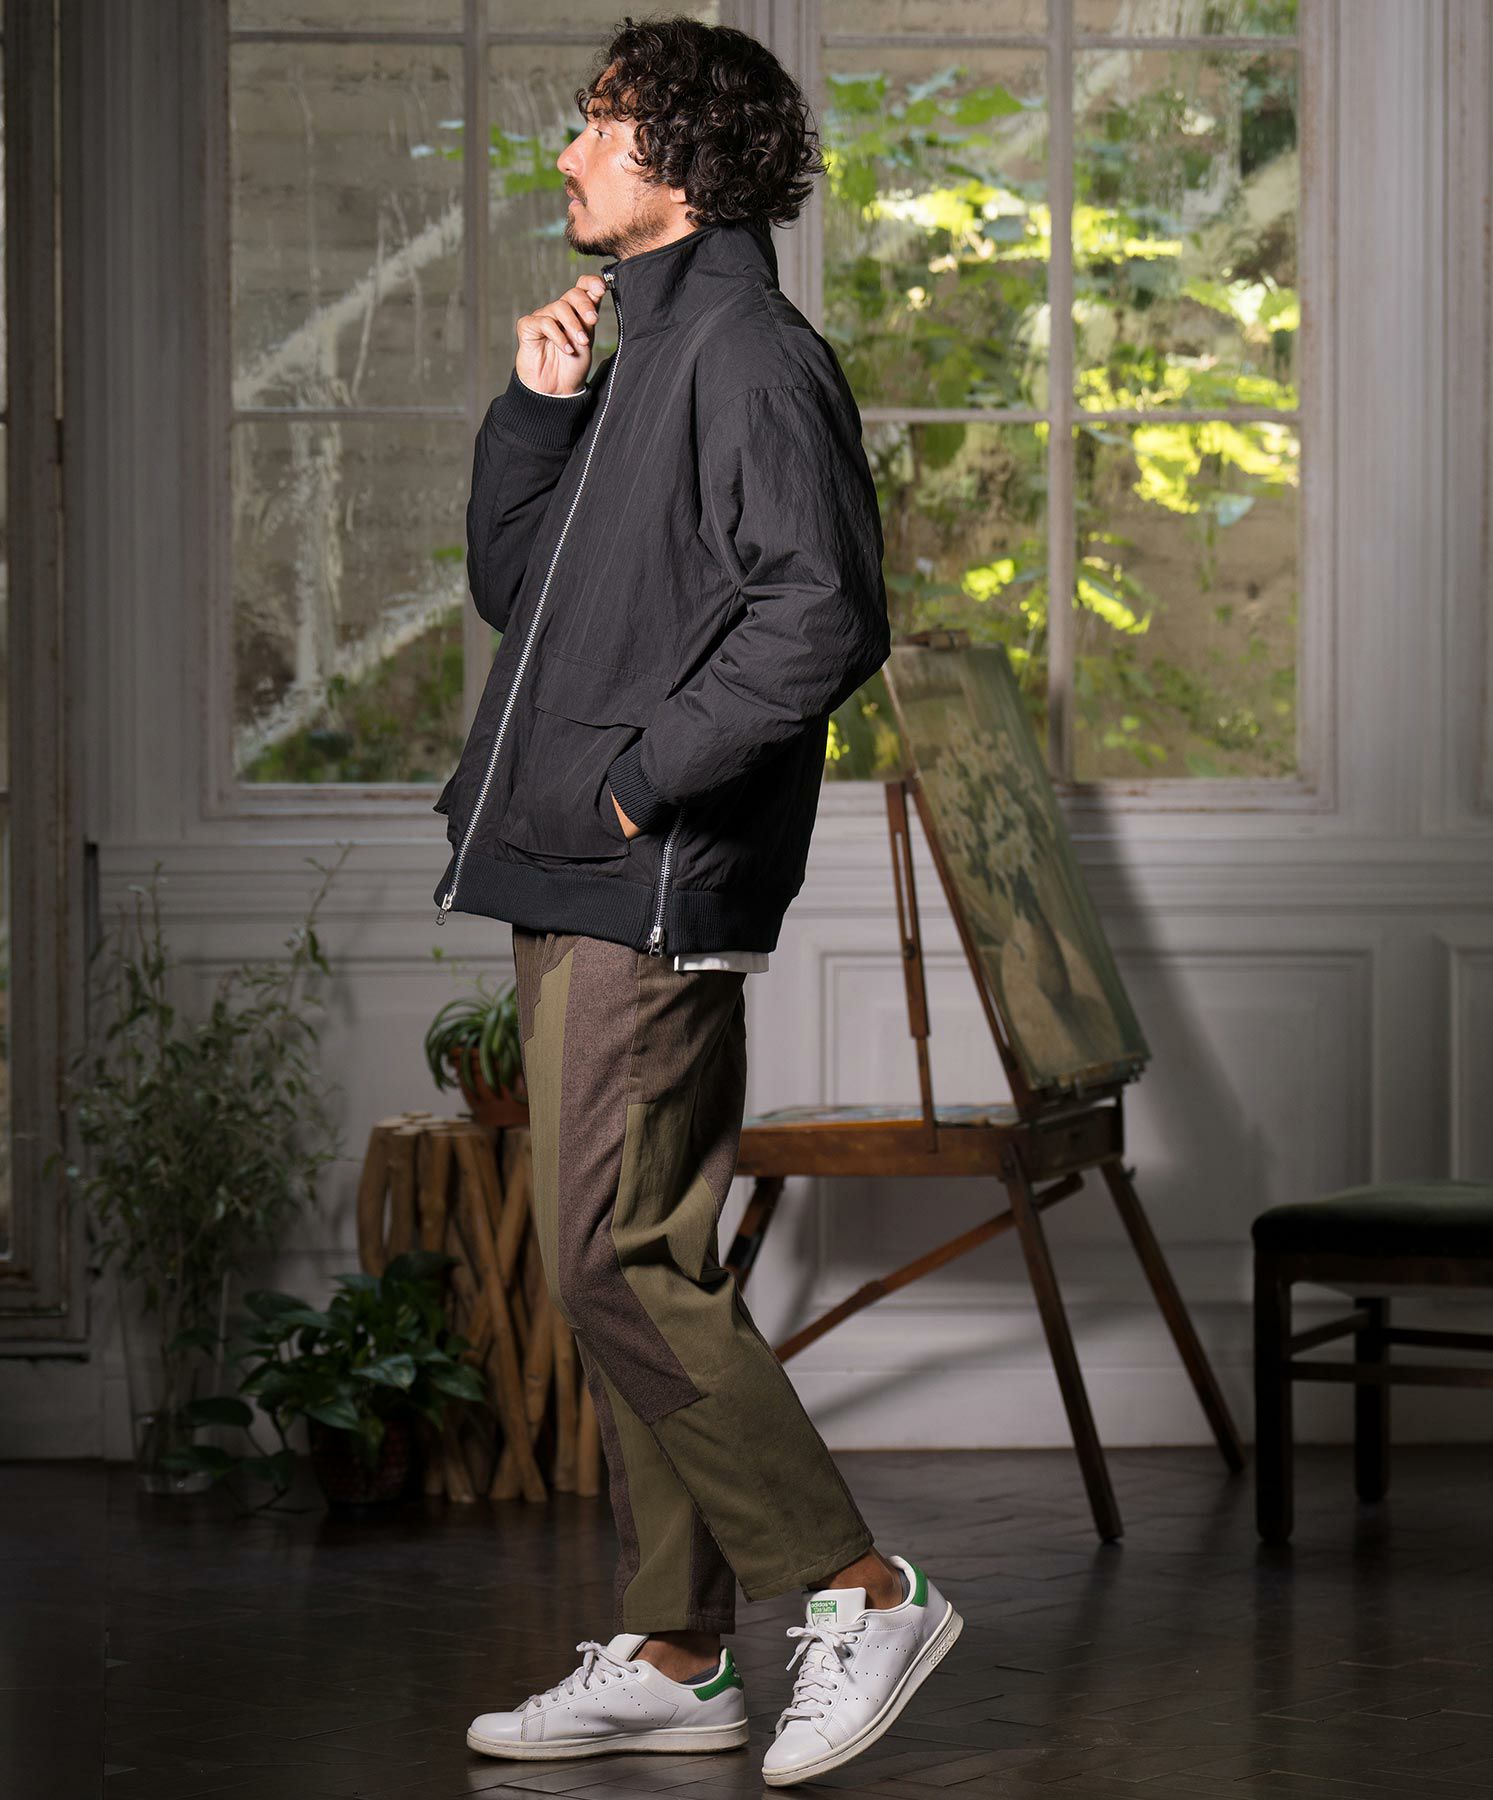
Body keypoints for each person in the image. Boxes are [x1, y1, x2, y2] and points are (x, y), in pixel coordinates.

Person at [434, 16, 962, 1786]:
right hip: (574, 861)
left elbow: (822, 611)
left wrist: (640, 779)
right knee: (632, 1253)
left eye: (596, 126)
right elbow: (519, 592)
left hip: (641, 868)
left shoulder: (745, 351)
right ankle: (674, 1650)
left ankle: (861, 1585)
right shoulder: (641, 349)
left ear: (677, 156)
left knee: (610, 1256)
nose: (568, 155)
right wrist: (536, 407)